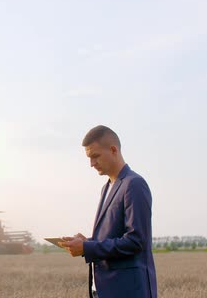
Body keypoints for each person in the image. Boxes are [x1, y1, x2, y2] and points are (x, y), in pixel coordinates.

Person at [60, 125, 157, 298]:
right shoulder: (107, 188)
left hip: (128, 291)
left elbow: (136, 241)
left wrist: (87, 247)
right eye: (89, 158)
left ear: (113, 150)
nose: (91, 164)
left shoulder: (133, 184)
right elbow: (113, 238)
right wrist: (87, 242)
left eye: (95, 156)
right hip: (105, 291)